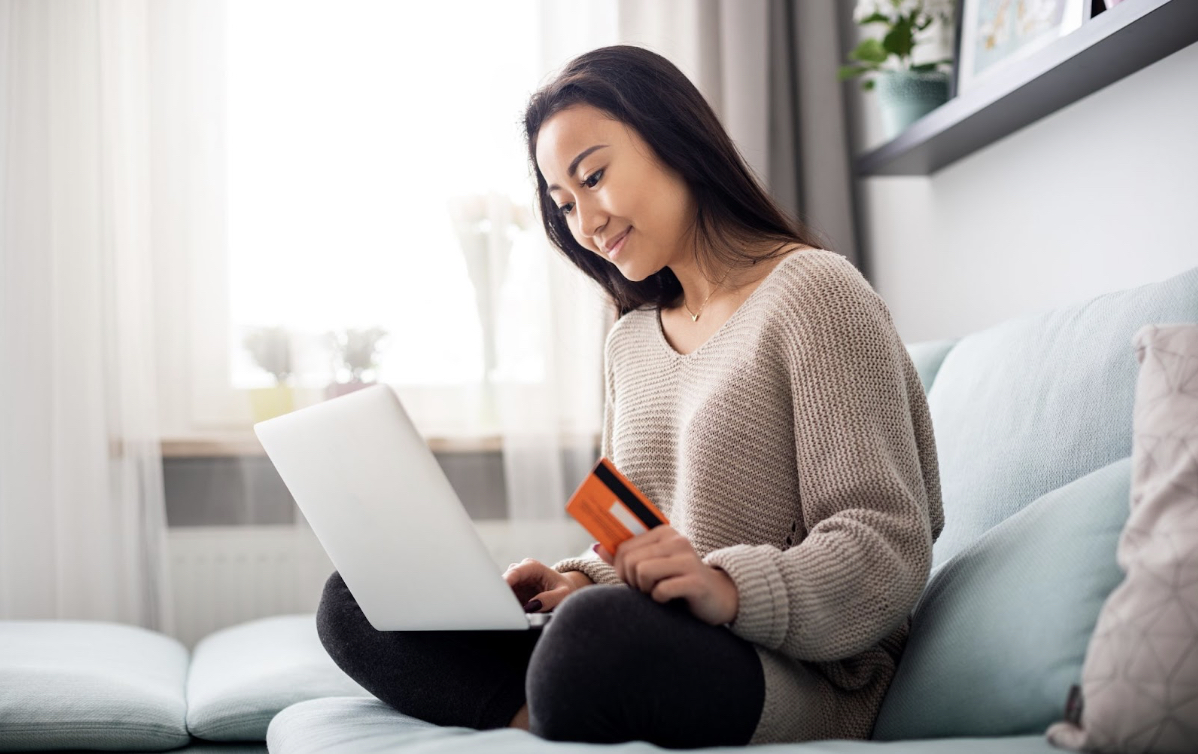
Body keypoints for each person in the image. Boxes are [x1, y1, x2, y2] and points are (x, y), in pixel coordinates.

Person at [316, 44, 943, 747]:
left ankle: (559, 699)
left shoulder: (816, 295)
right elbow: (629, 535)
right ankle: (551, 713)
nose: (585, 223)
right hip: (649, 640)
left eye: (594, 177)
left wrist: (724, 588)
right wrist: (579, 580)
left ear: (674, 136)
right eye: (563, 203)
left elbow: (884, 546)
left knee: (593, 642)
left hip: (798, 670)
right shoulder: (630, 342)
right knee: (359, 601)